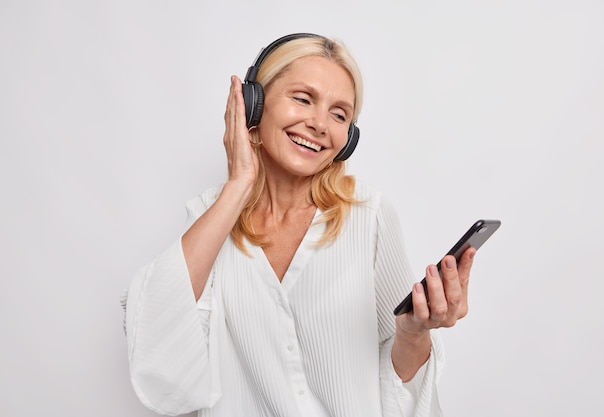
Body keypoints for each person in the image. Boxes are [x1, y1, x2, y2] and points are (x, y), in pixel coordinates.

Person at [121, 33, 475, 417]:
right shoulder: (213, 215)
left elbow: (401, 381)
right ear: (254, 105)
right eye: (303, 99)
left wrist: (413, 333)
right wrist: (238, 184)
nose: (320, 124)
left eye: (339, 114)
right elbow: (158, 340)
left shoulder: (369, 216)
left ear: (348, 138)